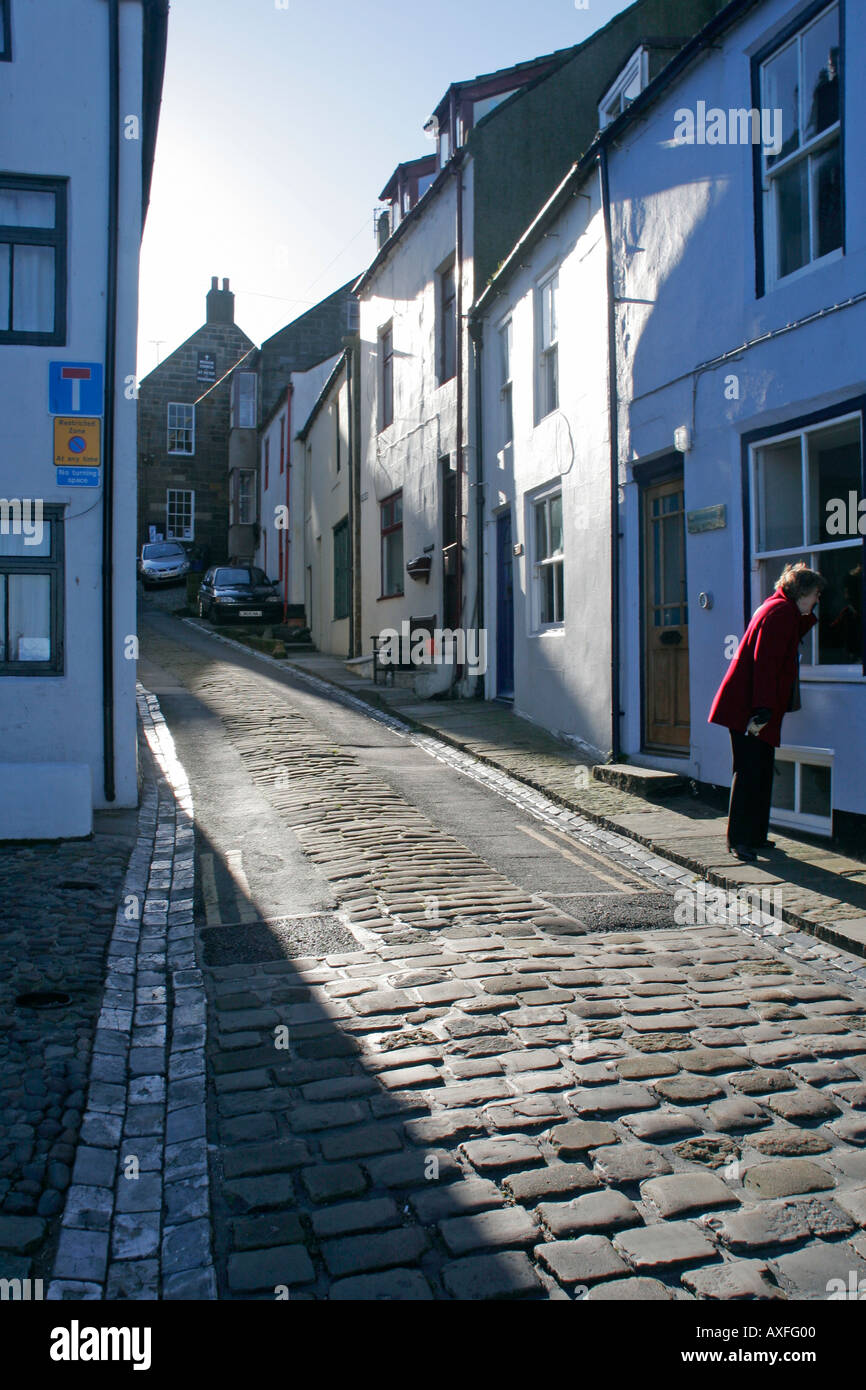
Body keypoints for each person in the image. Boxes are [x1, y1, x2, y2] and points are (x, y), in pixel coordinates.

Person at [708, 562, 826, 862]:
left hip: (749, 704)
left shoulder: (778, 608)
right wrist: (761, 710)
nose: (817, 600)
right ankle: (739, 841)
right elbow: (765, 664)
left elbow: (778, 649)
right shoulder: (780, 613)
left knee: (760, 771)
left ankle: (755, 836)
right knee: (749, 772)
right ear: (802, 592)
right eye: (815, 594)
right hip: (750, 707)